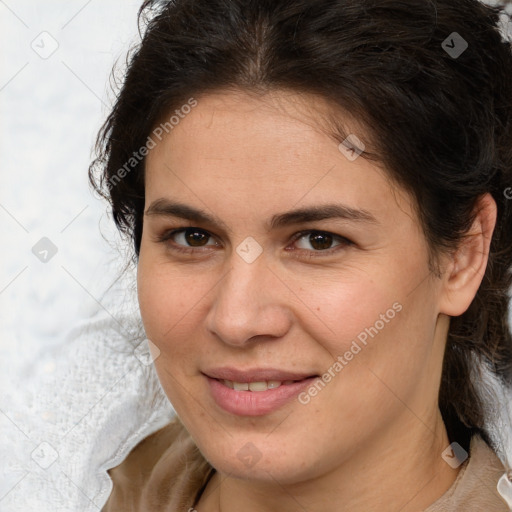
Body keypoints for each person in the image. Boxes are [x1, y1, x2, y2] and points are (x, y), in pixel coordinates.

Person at [90, 0, 512, 510]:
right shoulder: (109, 482)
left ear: (463, 257)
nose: (236, 320)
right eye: (192, 237)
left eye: (319, 240)